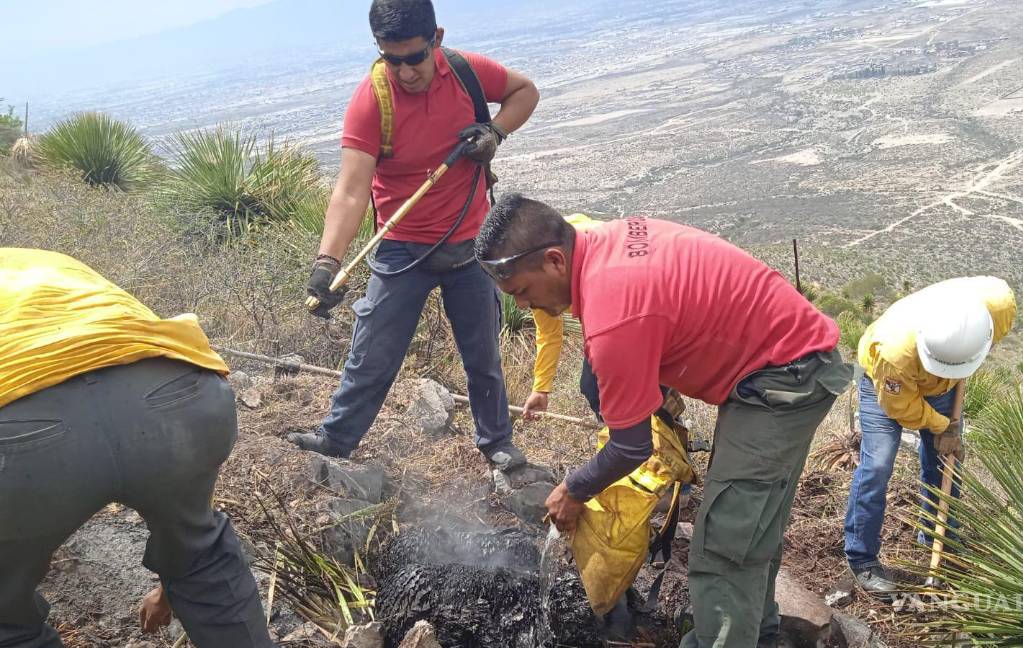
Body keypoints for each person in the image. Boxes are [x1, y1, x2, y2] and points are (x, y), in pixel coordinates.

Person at [474, 195, 854, 648]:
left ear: (555, 261)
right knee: (754, 523)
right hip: (785, 360)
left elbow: (630, 447)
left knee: (724, 544)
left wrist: (573, 489)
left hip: (783, 380)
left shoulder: (613, 313)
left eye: (521, 292)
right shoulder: (598, 241)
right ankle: (762, 634)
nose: (526, 306)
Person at [289, 0, 539, 470]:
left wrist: (494, 132)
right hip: (403, 247)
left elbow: (525, 92)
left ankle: (497, 444)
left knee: (482, 355)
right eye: (392, 59)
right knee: (373, 352)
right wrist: (327, 261)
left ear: (436, 39)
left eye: (415, 58)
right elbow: (350, 190)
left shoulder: (465, 72)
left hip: (471, 244)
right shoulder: (372, 100)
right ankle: (337, 439)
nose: (405, 72)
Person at [0, 249, 274, 648]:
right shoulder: (43, 261)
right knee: (202, 555)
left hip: (25, 435)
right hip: (178, 394)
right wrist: (180, 574)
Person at [843, 276, 1016, 596]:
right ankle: (861, 557)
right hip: (885, 387)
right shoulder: (893, 352)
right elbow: (902, 408)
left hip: (945, 389)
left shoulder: (995, 305)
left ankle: (939, 535)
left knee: (946, 461)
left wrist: (948, 430)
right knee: (877, 465)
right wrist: (942, 426)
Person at [519, 213, 603, 421]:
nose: (521, 304)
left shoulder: (589, 244)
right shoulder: (530, 277)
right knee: (593, 388)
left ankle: (657, 435)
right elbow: (548, 335)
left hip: (640, 307)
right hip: (601, 323)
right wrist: (541, 388)